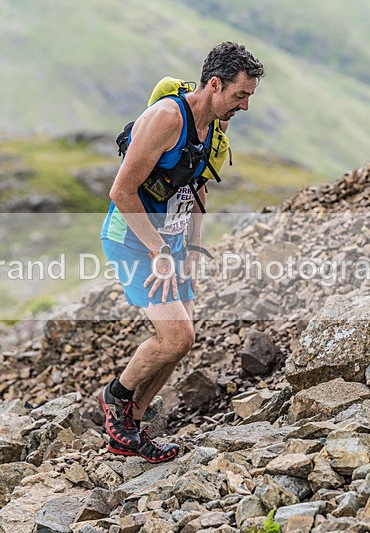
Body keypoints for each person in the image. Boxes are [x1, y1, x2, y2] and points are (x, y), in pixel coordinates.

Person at [98, 42, 264, 461]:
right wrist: (159, 251)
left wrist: (192, 245)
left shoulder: (215, 125)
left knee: (180, 342)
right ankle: (115, 398)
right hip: (134, 239)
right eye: (239, 95)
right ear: (214, 84)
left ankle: (129, 429)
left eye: (248, 97)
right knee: (177, 335)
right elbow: (121, 191)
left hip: (171, 241)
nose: (244, 107)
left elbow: (199, 182)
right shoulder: (167, 118)